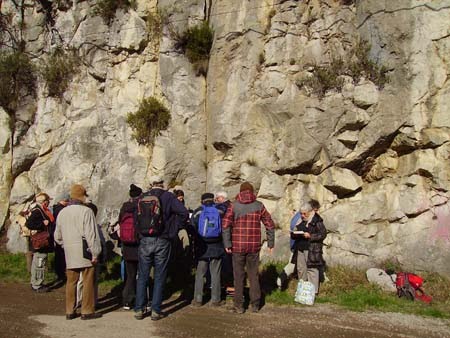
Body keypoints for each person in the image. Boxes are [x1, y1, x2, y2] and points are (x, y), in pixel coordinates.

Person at [134, 176, 188, 321]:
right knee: (160, 275)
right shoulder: (168, 197)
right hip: (163, 239)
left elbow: (135, 218)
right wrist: (174, 228)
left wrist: (140, 234)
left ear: (151, 184)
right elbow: (183, 213)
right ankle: (155, 310)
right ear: (162, 184)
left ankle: (139, 308)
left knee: (143, 275)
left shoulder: (142, 197)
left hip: (145, 239)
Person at [222, 182, 275, 314]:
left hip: (237, 246)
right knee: (253, 275)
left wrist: (227, 244)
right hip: (253, 246)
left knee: (238, 276)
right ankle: (255, 305)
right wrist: (270, 242)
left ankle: (239, 306)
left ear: (240, 191)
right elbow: (269, 223)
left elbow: (225, 225)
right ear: (251, 191)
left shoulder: (233, 206)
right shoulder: (259, 205)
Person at [54, 184, 102, 320]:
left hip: (69, 251)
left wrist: (66, 245)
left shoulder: (62, 212)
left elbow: (57, 236)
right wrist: (95, 252)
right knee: (87, 281)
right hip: (85, 251)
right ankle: (86, 310)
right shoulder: (87, 212)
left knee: (71, 282)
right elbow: (91, 234)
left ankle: (70, 310)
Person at [191, 193, 225, 307]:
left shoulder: (197, 211)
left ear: (202, 200)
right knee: (216, 273)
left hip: (202, 247)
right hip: (217, 246)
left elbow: (192, 228)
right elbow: (225, 228)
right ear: (213, 200)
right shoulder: (220, 211)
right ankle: (215, 300)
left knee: (200, 273)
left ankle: (198, 299)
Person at [290, 202, 327, 294]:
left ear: (310, 212)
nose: (302, 215)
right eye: (301, 213)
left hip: (312, 249)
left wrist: (310, 236)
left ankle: (313, 292)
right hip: (300, 248)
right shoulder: (300, 220)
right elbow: (295, 234)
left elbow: (322, 234)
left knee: (312, 269)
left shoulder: (317, 220)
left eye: (304, 213)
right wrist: (294, 233)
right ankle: (302, 290)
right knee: (301, 269)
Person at [117, 183, 142, 310]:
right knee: (142, 274)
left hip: (126, 246)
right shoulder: (140, 206)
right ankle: (141, 300)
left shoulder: (124, 207)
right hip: (139, 245)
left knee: (130, 275)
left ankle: (127, 300)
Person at [26, 192, 54, 293]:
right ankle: (37, 284)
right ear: (44, 202)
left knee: (38, 261)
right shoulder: (38, 211)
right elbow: (29, 224)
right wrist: (42, 224)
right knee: (39, 262)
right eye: (48, 201)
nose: (49, 202)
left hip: (42, 242)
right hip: (40, 242)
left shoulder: (40, 210)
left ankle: (36, 282)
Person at [215, 191, 233, 296]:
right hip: (231, 237)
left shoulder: (221, 208)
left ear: (221, 198)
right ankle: (229, 285)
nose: (216, 201)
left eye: (217, 199)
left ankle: (225, 285)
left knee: (225, 262)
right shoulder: (232, 206)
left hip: (222, 239)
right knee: (229, 262)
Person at [52, 192, 70, 283]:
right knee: (61, 255)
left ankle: (60, 273)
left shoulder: (55, 208)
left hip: (58, 234)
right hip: (62, 234)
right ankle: (61, 274)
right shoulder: (61, 210)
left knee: (59, 254)